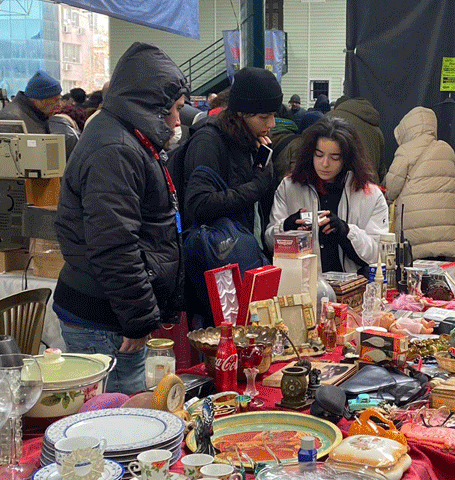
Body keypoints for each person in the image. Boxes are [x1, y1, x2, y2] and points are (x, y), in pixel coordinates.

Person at [53, 42, 188, 395]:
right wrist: (137, 318)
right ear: (147, 106)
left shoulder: (129, 139)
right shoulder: (116, 150)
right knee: (113, 423)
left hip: (110, 310)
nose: (176, 120)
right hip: (103, 318)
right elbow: (114, 245)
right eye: (172, 110)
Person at [182, 67, 281, 326]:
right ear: (241, 112)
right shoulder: (209, 141)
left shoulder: (249, 141)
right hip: (211, 267)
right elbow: (199, 204)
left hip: (238, 258)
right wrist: (257, 185)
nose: (270, 124)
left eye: (273, 116)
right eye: (264, 116)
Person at [265, 117, 388, 273]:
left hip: (351, 289)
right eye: (319, 155)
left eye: (334, 157)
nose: (325, 164)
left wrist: (346, 232)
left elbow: (377, 255)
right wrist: (287, 227)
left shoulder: (370, 195)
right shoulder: (289, 187)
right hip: (301, 285)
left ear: (347, 158)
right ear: (310, 154)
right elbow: (269, 242)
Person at [384, 106, 455, 259]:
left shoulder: (405, 151)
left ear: (407, 129)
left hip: (415, 227)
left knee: (414, 275)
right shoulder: (447, 149)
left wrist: (387, 200)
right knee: (440, 273)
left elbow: (392, 186)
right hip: (445, 229)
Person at [330, 96, 386, 180]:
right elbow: (381, 168)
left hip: (339, 184)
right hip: (370, 184)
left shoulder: (330, 119)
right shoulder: (375, 128)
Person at [0, 70, 63, 135]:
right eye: (56, 100)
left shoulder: (37, 116)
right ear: (40, 100)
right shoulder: (11, 120)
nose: (59, 105)